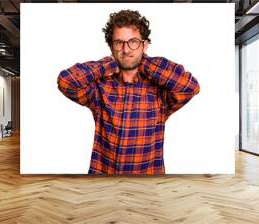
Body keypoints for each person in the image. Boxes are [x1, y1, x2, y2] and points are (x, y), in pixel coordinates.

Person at [57, 9, 200, 174]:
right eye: (119, 43)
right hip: (103, 180)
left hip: (148, 181)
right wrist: (111, 63)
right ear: (111, 47)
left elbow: (190, 86)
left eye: (133, 42)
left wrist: (141, 61)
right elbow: (66, 81)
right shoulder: (99, 88)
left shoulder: (160, 90)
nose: (126, 49)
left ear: (144, 45)